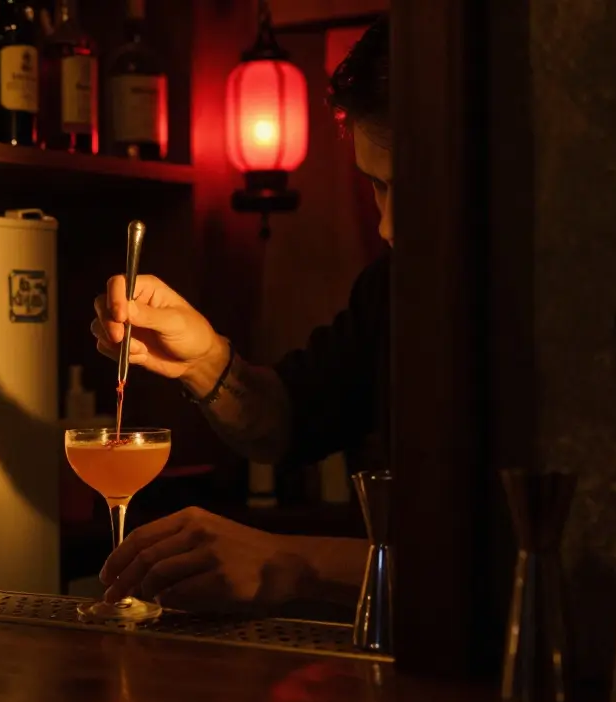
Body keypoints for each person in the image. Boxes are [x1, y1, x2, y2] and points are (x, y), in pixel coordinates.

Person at [89, 17, 393, 614]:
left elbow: (513, 572)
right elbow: (286, 422)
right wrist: (204, 361)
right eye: (378, 188)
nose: (386, 227)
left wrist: (295, 563)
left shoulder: (552, 306)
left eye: (410, 186)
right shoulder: (392, 288)